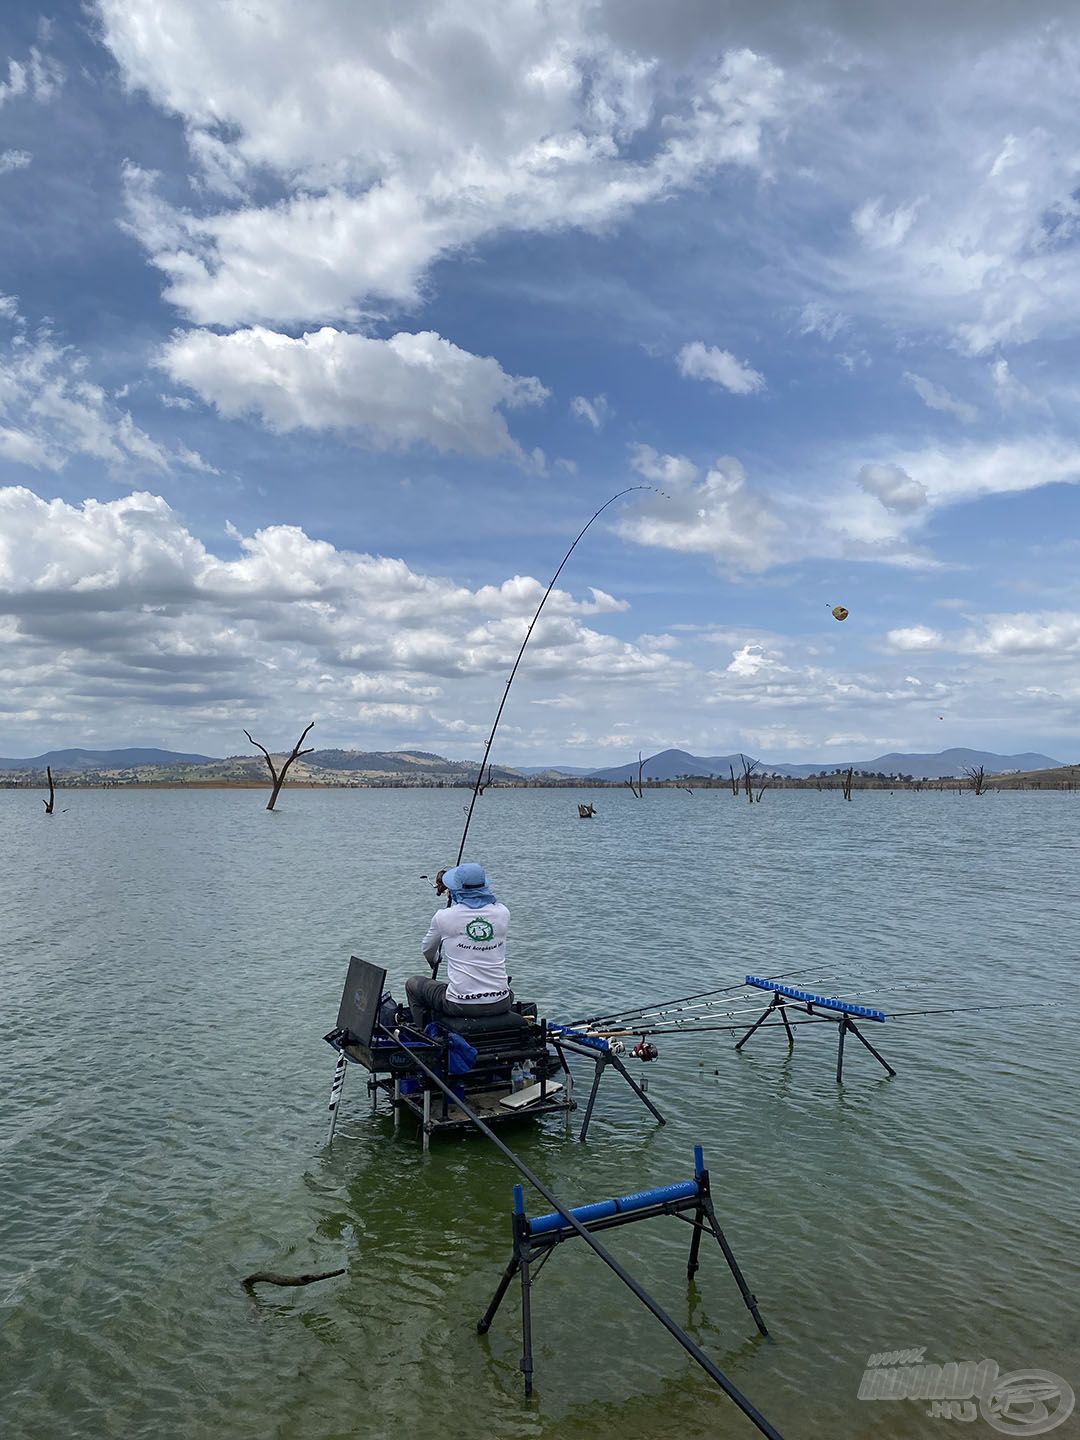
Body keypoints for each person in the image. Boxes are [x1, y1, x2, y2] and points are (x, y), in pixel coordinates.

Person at [406, 862, 512, 1030]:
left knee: (413, 984)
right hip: (502, 1001)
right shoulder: (503, 913)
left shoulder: (444, 917)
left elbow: (427, 950)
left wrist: (435, 960)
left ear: (456, 889)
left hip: (460, 1004)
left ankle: (426, 1036)